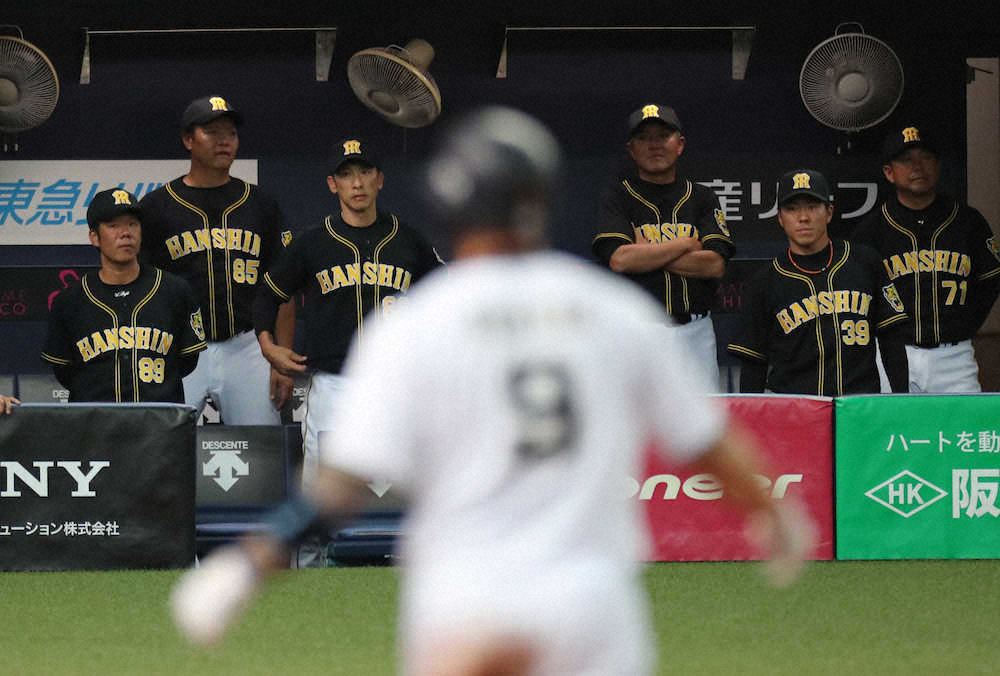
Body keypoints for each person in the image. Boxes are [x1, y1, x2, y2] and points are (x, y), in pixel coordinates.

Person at [171, 107, 813, 675]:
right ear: (543, 197)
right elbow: (704, 440)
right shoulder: (609, 308)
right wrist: (773, 513)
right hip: (590, 598)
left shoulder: (421, 321)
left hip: (467, 592)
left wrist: (250, 564)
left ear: (450, 204)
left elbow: (341, 486)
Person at [253, 136, 443, 488]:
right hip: (333, 384)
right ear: (332, 184)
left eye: (365, 172)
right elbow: (267, 295)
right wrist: (268, 346)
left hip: (396, 382)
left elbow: (445, 295)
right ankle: (317, 532)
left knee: (400, 486)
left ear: (379, 179)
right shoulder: (313, 243)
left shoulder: (409, 241)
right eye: (346, 174)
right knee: (323, 489)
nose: (357, 183)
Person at [139, 95, 294, 422]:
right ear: (188, 140)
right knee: (160, 444)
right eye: (212, 132)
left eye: (231, 133)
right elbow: (140, 289)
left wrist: (281, 359)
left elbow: (283, 287)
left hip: (248, 347)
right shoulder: (156, 207)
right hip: (179, 346)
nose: (224, 141)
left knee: (260, 447)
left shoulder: (261, 205)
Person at [728, 170, 910, 395]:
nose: (803, 217)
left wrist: (902, 399)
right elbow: (753, 362)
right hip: (796, 406)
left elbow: (891, 340)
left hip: (858, 403)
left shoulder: (864, 262)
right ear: (780, 218)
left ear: (829, 212)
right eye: (792, 209)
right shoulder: (765, 281)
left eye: (812, 207)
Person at [593, 103, 735, 388]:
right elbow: (620, 260)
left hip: (694, 331)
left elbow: (715, 264)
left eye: (663, 136)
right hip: (637, 331)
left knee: (702, 412)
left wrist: (647, 253)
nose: (654, 145)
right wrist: (684, 244)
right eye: (644, 137)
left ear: (679, 144)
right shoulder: (619, 197)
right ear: (631, 149)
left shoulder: (702, 198)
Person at [852, 123, 1000, 393]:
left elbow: (990, 281)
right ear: (889, 172)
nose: (918, 166)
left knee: (962, 420)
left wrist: (964, 324)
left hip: (954, 355)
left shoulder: (968, 222)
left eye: (926, 157)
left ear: (938, 164)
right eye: (906, 160)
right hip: (892, 352)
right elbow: (858, 295)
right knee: (892, 420)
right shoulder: (872, 230)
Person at [40, 189, 206, 403]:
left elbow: (187, 362)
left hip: (158, 419)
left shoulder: (174, 291)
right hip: (94, 420)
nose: (126, 233)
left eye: (132, 224)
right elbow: (64, 371)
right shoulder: (71, 301)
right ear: (94, 237)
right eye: (113, 226)